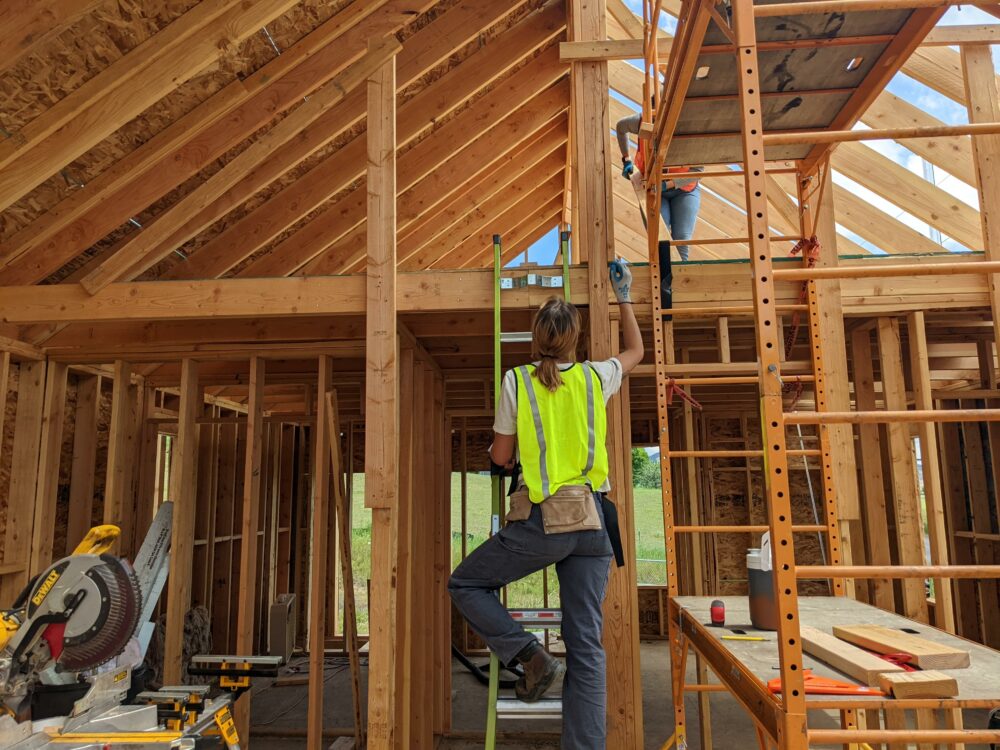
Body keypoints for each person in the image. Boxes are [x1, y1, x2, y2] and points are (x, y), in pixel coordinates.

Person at [448, 262, 643, 750]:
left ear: (536, 339)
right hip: (595, 525)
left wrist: (506, 456)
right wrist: (624, 295)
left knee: (466, 582)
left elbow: (500, 455)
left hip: (545, 523)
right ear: (575, 340)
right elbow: (636, 351)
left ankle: (530, 656)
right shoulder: (597, 377)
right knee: (587, 646)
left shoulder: (518, 380)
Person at [616, 112, 703, 261]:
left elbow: (698, 171)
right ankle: (663, 274)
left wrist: (666, 185)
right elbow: (621, 127)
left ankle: (683, 275)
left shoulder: (688, 128)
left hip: (684, 190)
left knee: (681, 236)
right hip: (654, 190)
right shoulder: (643, 121)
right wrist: (627, 160)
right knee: (660, 235)